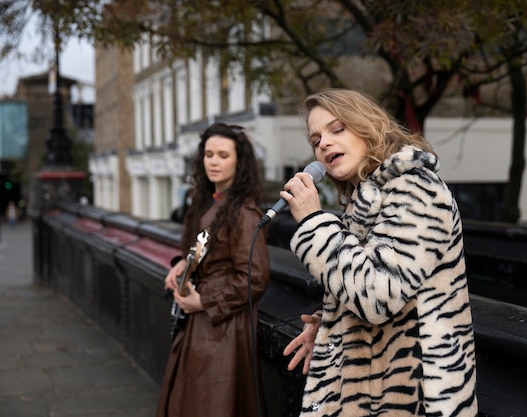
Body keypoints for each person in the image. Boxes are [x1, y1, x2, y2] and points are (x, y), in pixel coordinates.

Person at [281, 89, 478, 416]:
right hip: (369, 392)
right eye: (316, 139)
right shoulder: (365, 200)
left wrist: (315, 223)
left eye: (337, 128)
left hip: (413, 398)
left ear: (367, 125)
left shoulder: (416, 187)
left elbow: (378, 296)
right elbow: (367, 277)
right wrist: (328, 323)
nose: (324, 143)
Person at [157, 122, 271, 417]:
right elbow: (208, 249)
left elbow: (254, 278)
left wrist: (204, 301)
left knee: (213, 405)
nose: (214, 162)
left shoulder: (244, 213)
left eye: (223, 155)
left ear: (239, 161)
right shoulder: (208, 201)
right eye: (209, 154)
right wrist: (183, 263)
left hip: (223, 329)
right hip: (202, 323)